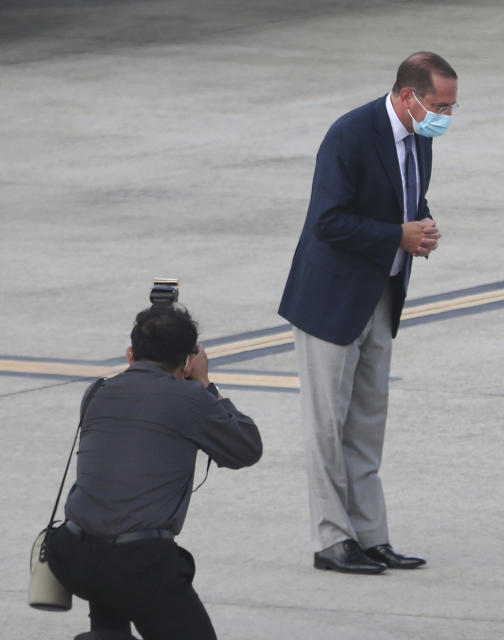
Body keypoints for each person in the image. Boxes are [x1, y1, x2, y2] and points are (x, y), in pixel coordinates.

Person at [278, 52, 456, 574]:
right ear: (408, 97)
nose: (446, 114)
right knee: (326, 426)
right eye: (440, 104)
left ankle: (371, 536)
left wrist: (420, 226)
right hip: (331, 301)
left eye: (452, 105)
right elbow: (328, 221)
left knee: (366, 422)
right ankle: (332, 540)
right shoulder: (349, 135)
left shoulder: (420, 138)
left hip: (381, 292)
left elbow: (406, 200)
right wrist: (396, 235)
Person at [46, 304, 263, 640]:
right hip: (138, 564)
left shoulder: (98, 391)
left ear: (130, 353)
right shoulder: (191, 398)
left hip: (73, 554)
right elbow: (246, 448)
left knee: (112, 596)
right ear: (188, 359)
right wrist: (205, 382)